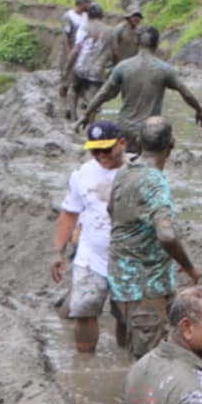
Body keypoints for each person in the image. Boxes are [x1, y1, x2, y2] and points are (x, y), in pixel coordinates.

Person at [110, 118, 200, 359]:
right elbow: (167, 235)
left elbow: (113, 215)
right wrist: (189, 267)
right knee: (148, 362)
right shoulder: (154, 181)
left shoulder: (123, 173)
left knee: (139, 349)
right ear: (171, 144)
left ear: (139, 142)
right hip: (145, 287)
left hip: (122, 281)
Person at [55, 119, 126, 354]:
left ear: (122, 143)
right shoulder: (82, 175)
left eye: (106, 149)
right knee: (84, 312)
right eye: (95, 150)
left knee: (126, 317)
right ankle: (84, 363)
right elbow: (69, 213)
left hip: (128, 258)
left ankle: (126, 362)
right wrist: (58, 251)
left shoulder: (137, 172)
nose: (100, 156)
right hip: (90, 255)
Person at [82, 27, 202, 131]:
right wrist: (199, 110)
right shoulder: (164, 69)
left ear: (137, 43)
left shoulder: (123, 66)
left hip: (124, 128)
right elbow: (186, 93)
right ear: (157, 44)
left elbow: (103, 93)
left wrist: (87, 113)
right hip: (150, 131)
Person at [68, 2, 111, 117]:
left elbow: (76, 50)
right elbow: (114, 52)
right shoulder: (109, 31)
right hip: (97, 71)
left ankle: (73, 116)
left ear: (88, 15)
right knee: (94, 100)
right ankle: (91, 126)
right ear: (101, 15)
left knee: (74, 90)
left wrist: (67, 68)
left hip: (81, 67)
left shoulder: (84, 27)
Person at [60, 0, 94, 113]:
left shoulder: (87, 16)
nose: (89, 5)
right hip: (71, 51)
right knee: (66, 80)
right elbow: (65, 36)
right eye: (88, 2)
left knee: (80, 81)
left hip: (83, 53)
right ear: (82, 3)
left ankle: (76, 105)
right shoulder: (68, 17)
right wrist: (69, 53)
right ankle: (64, 105)